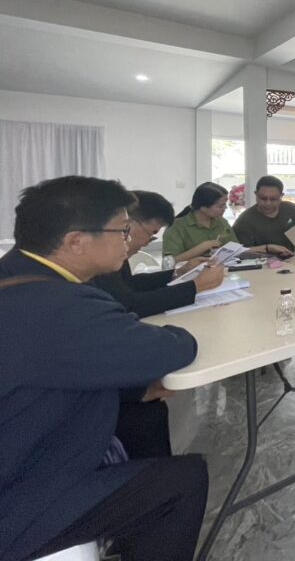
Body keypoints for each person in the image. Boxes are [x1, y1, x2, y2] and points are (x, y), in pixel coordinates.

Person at [0, 176, 207, 561]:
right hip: (19, 493)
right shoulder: (61, 306)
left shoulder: (15, 277)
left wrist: (136, 390)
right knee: (183, 480)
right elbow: (172, 349)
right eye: (122, 231)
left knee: (144, 412)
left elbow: (54, 364)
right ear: (76, 241)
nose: (129, 242)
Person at [91, 190, 226, 318]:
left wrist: (178, 273)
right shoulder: (100, 258)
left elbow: (130, 284)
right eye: (152, 233)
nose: (147, 242)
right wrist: (196, 286)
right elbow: (130, 305)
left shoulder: (115, 254)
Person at [161, 183, 238, 262]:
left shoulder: (222, 222)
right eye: (220, 206)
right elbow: (169, 262)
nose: (225, 208)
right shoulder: (176, 227)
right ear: (203, 207)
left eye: (225, 205)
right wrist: (202, 248)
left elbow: (236, 248)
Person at [231, 175, 295, 255]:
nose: (268, 203)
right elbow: (240, 252)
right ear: (256, 194)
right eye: (263, 198)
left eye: (273, 199)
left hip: (292, 260)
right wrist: (267, 249)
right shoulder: (244, 221)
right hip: (260, 262)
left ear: (281, 196)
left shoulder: (291, 209)